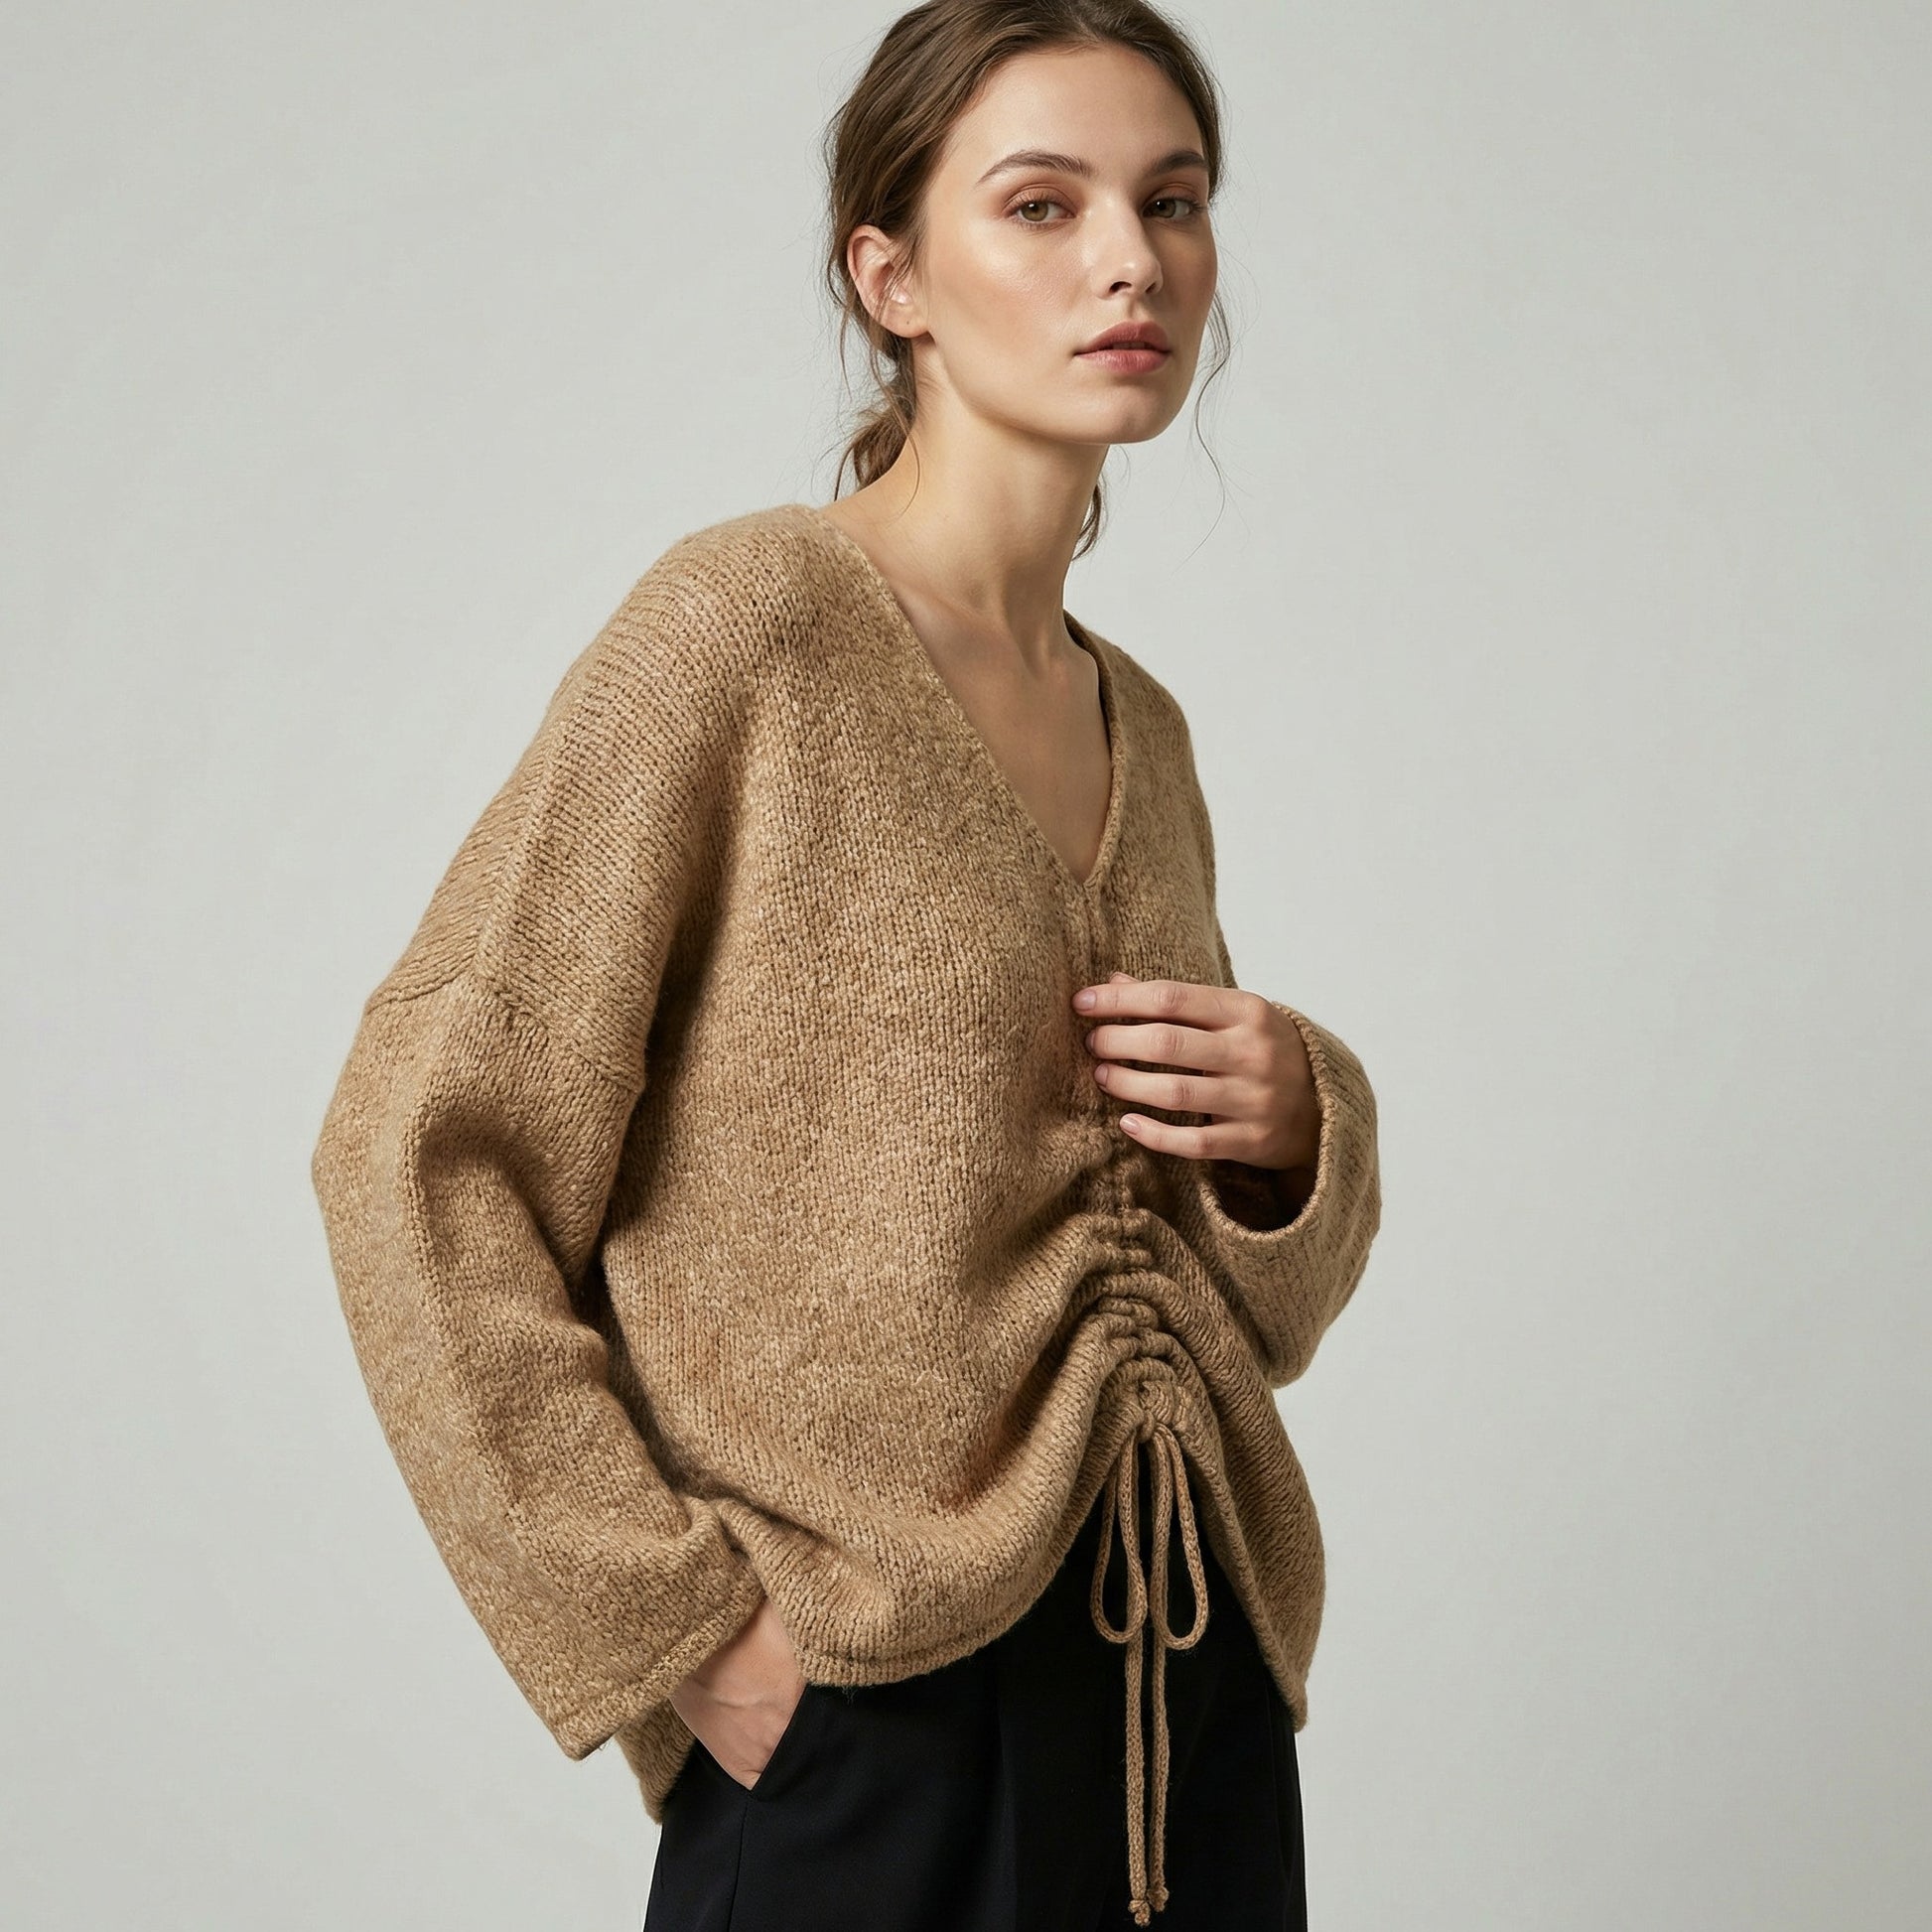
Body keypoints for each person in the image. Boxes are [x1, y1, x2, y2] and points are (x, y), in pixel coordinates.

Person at [309, 3, 1382, 1928]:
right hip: (870, 1723)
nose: (1130, 260)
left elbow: (1245, 1308)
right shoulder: (745, 635)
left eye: (1171, 200)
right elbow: (421, 1147)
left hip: (1188, 1696)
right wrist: (679, 1638)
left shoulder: (1143, 726)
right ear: (889, 277)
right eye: (1041, 205)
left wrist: (1300, 1129)